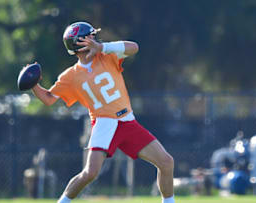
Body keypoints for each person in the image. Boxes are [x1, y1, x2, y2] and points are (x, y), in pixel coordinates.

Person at [29, 21, 175, 203]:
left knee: (166, 162)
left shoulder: (107, 56)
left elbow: (134, 47)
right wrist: (33, 85)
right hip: (104, 123)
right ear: (80, 42)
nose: (94, 38)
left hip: (128, 121)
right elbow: (49, 98)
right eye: (90, 36)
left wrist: (102, 47)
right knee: (90, 173)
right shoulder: (71, 76)